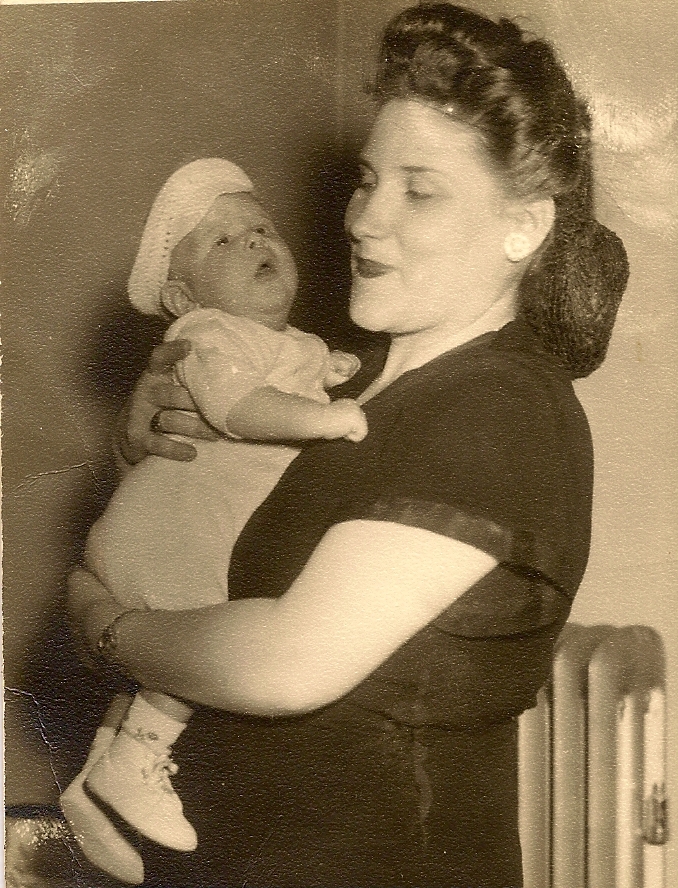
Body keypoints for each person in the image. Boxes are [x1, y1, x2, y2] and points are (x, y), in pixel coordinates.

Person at [67, 4, 629, 886]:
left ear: (523, 226)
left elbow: (285, 662)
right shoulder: (346, 383)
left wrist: (105, 626)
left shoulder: (500, 409)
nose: (364, 219)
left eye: (420, 190)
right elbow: (205, 547)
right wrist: (138, 452)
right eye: (369, 181)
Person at [60, 158, 365, 880]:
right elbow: (239, 406)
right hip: (176, 531)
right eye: (222, 241)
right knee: (194, 630)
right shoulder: (208, 333)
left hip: (175, 525)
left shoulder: (289, 341)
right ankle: (137, 759)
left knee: (161, 656)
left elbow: (296, 371)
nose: (255, 242)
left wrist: (330, 373)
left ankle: (97, 778)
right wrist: (326, 418)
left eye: (261, 228)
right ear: (181, 296)